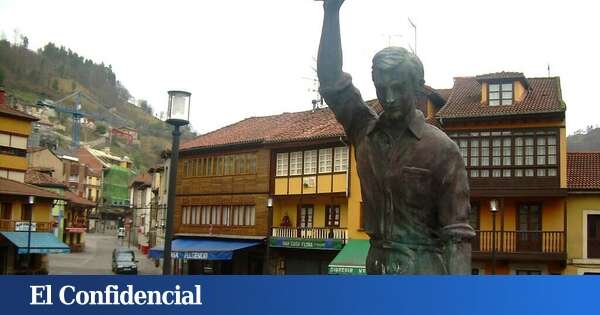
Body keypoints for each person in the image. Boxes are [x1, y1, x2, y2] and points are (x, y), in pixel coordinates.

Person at [316, 0, 474, 274]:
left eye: (398, 87)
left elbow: (457, 235)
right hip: (377, 269)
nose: (388, 98)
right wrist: (331, 12)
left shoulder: (442, 150)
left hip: (424, 276)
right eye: (381, 88)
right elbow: (331, 80)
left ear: (417, 87)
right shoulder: (364, 131)